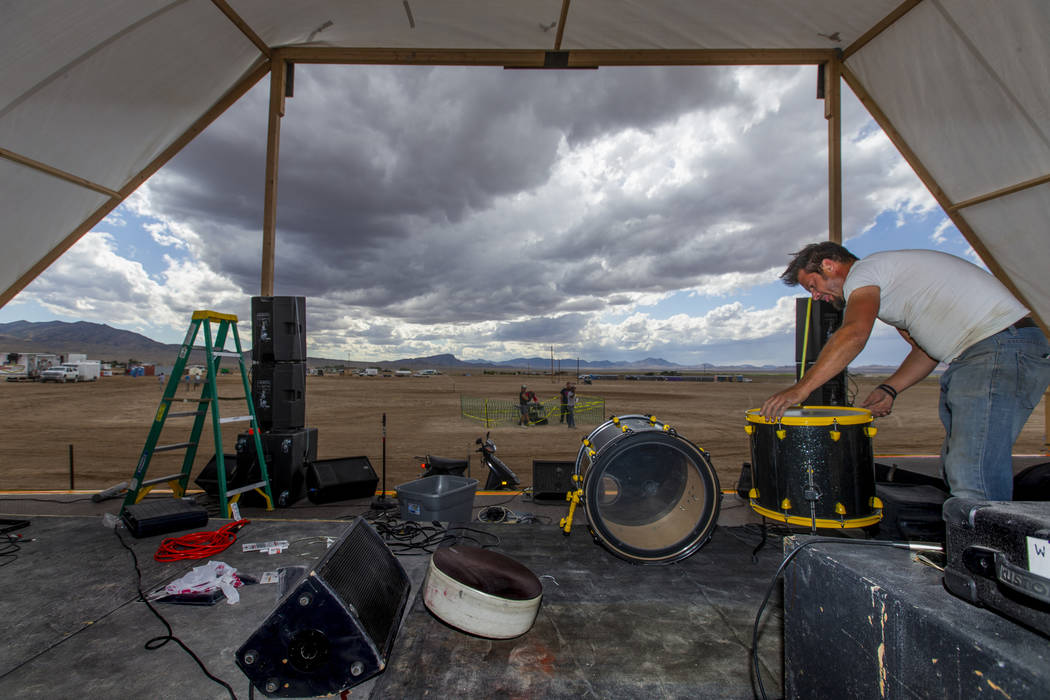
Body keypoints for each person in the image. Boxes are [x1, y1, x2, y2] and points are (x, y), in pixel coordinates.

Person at [760, 242, 1050, 501]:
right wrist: (890, 389)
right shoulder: (888, 287)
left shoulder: (864, 273)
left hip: (997, 347)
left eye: (812, 285)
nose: (815, 297)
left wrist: (801, 389)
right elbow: (925, 352)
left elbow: (854, 333)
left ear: (828, 265)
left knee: (973, 470)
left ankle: (988, 552)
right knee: (959, 463)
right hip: (984, 353)